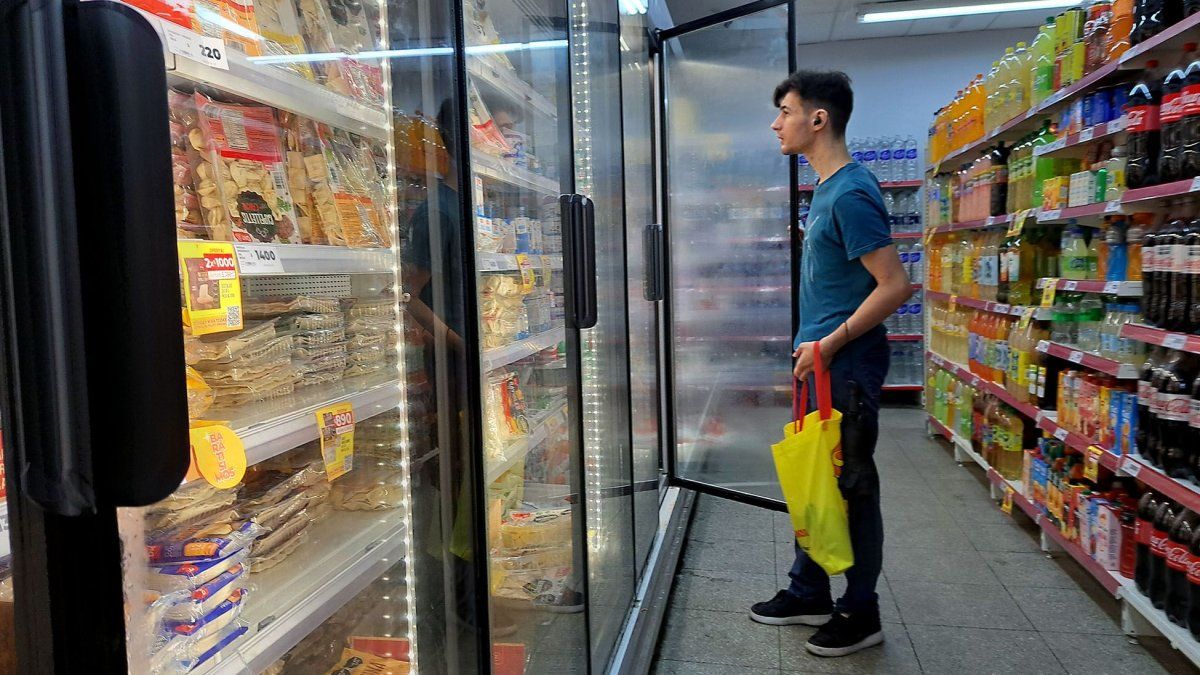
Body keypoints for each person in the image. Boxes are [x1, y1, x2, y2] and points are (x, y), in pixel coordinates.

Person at [750, 70, 912, 658]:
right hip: (819, 361)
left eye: (785, 111)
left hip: (845, 363)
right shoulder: (825, 189)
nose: (776, 123)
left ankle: (861, 611)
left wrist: (830, 342)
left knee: (852, 484)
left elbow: (895, 285)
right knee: (815, 477)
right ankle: (809, 590)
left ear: (818, 119)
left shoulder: (850, 193)